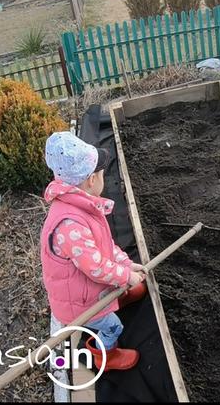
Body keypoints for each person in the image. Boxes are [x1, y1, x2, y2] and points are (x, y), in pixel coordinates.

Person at [40, 131, 148, 372]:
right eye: (101, 175)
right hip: (80, 304)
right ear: (90, 181)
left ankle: (116, 295)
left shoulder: (80, 206)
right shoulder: (71, 225)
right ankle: (105, 356)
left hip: (89, 287)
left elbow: (105, 247)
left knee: (123, 280)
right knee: (113, 327)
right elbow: (97, 267)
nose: (104, 179)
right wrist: (126, 277)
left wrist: (126, 264)